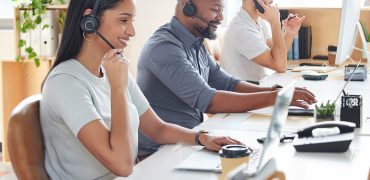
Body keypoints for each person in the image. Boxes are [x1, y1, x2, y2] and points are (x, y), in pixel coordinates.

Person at [40, 0, 241, 179]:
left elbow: (156, 128)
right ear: (89, 20)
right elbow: (122, 165)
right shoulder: (65, 82)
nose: (132, 32)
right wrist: (118, 88)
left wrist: (202, 138)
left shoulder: (111, 69)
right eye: (123, 20)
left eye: (131, 21)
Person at [136, 0, 316, 156]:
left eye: (222, 10)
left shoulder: (195, 41)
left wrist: (277, 92)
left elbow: (226, 82)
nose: (221, 17)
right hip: (160, 151)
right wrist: (275, 98)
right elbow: (208, 100)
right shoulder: (165, 47)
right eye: (215, 9)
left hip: (191, 140)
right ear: (187, 6)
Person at [220, 0, 305, 83]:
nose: (271, 1)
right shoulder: (242, 30)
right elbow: (280, 66)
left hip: (255, 87)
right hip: (242, 93)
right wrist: (275, 22)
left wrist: (289, 33)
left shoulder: (258, 21)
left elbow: (277, 55)